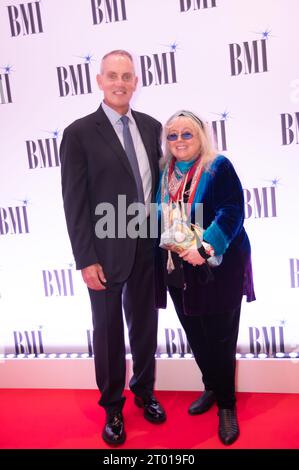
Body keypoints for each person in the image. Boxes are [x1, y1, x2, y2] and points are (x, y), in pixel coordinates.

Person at [60, 50, 166, 447]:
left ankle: (144, 391)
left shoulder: (153, 126)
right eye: (112, 76)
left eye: (127, 76)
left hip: (147, 244)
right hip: (102, 253)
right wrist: (85, 257)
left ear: (136, 82)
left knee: (144, 324)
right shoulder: (79, 133)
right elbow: (74, 201)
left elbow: (158, 188)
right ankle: (113, 408)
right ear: (100, 81)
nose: (120, 82)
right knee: (107, 332)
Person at [156, 110, 255, 445]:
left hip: (217, 266)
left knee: (220, 336)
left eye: (187, 134)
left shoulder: (218, 166)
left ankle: (227, 406)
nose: (180, 141)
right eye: (173, 135)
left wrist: (206, 246)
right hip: (178, 266)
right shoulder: (165, 170)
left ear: (201, 136)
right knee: (195, 333)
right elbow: (161, 213)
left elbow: (233, 211)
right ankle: (212, 385)